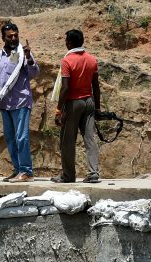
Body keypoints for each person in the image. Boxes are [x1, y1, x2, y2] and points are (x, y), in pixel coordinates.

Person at [0, 21, 38, 183]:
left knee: (22, 138)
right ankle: (18, 169)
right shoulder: (0, 55)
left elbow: (34, 72)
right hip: (5, 103)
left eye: (16, 35)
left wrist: (29, 58)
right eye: (10, 36)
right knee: (10, 139)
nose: (14, 38)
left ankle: (26, 171)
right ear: (3, 38)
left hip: (21, 101)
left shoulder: (21, 52)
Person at [53, 29, 101, 184]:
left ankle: (68, 176)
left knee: (67, 140)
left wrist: (59, 109)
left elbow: (65, 88)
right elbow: (96, 86)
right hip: (89, 102)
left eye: (66, 40)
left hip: (73, 103)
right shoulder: (92, 59)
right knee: (89, 139)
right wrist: (98, 108)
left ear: (71, 43)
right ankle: (93, 173)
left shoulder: (67, 61)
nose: (65, 43)